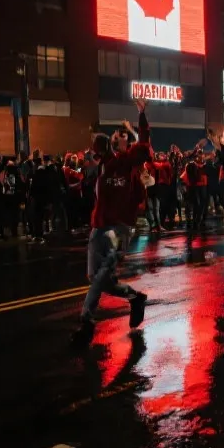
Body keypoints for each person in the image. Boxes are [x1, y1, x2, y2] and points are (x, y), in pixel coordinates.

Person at [72, 99, 151, 346]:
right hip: (99, 227)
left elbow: (144, 145)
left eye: (95, 152)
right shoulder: (102, 169)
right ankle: (135, 297)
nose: (92, 157)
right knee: (96, 277)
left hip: (119, 229)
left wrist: (141, 115)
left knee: (102, 274)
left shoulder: (123, 163)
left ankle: (86, 320)